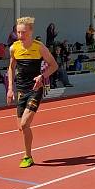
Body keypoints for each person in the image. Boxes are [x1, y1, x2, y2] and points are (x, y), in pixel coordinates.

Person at [7, 16, 58, 168]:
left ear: (31, 31)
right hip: (21, 90)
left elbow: (54, 65)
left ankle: (27, 156)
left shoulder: (39, 47)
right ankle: (28, 155)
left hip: (35, 89)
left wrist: (42, 76)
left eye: (23, 33)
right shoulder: (14, 48)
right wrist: (10, 88)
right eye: (18, 33)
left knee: (24, 124)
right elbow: (11, 68)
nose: (20, 36)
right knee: (21, 127)